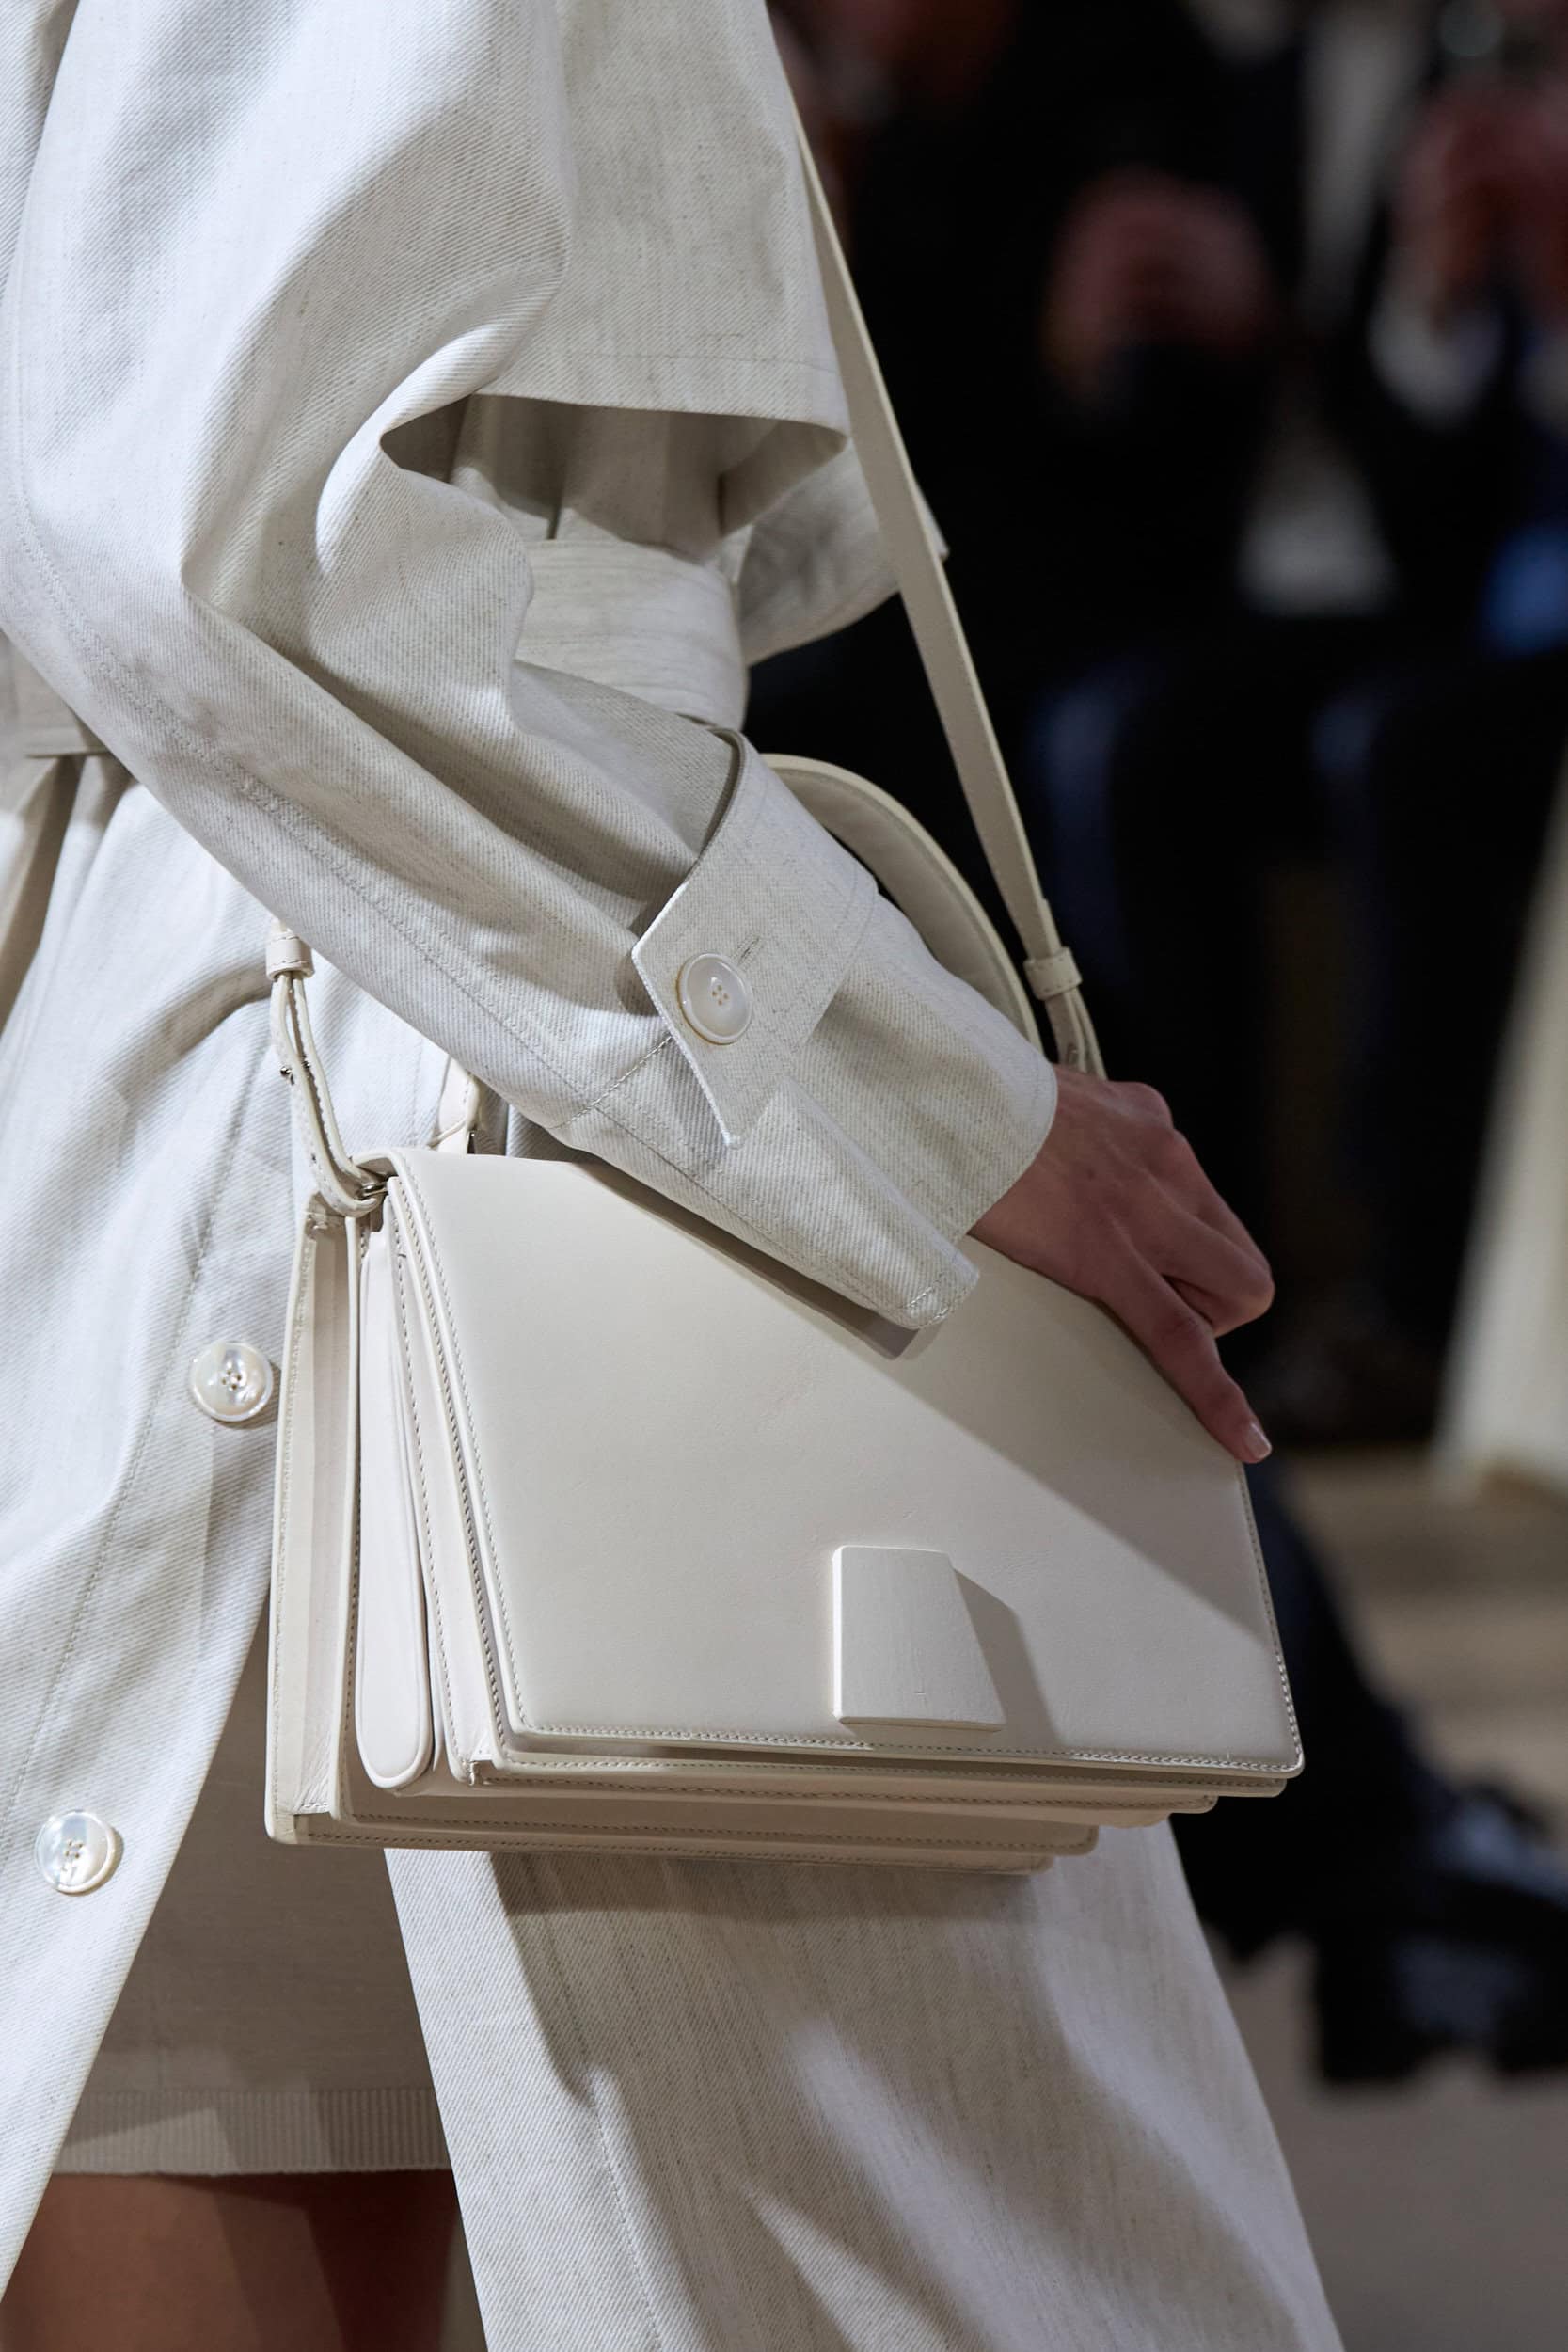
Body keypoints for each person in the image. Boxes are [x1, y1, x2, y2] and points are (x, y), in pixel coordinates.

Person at [0, 5, 1344, 2348]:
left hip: (280, 1035)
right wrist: (918, 1100)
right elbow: (240, 541)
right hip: (490, 1052)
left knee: (207, 2126)